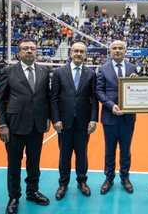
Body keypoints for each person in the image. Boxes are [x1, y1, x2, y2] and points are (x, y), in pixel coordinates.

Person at [0, 39, 51, 214]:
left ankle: (32, 191)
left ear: (36, 52)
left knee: (34, 163)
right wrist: (2, 124)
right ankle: (14, 197)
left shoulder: (44, 71)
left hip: (37, 126)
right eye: (25, 48)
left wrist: (48, 117)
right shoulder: (8, 71)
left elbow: (46, 98)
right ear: (18, 53)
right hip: (14, 126)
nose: (29, 51)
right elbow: (0, 100)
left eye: (32, 48)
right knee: (13, 164)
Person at [51, 42, 98, 200]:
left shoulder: (91, 74)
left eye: (82, 51)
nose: (78, 53)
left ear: (85, 55)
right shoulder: (58, 72)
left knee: (82, 154)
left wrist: (93, 120)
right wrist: (55, 119)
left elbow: (94, 99)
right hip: (64, 122)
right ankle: (63, 183)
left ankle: (82, 181)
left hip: (83, 123)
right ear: (71, 53)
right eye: (76, 51)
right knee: (64, 154)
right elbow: (54, 98)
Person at [96, 40, 138, 195]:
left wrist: (136, 82)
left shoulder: (133, 68)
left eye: (121, 48)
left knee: (126, 149)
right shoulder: (102, 68)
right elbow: (99, 91)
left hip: (128, 117)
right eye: (115, 48)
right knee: (109, 150)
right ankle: (109, 178)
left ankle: (125, 177)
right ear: (110, 51)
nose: (118, 50)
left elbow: (135, 90)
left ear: (125, 51)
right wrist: (110, 105)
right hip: (110, 116)